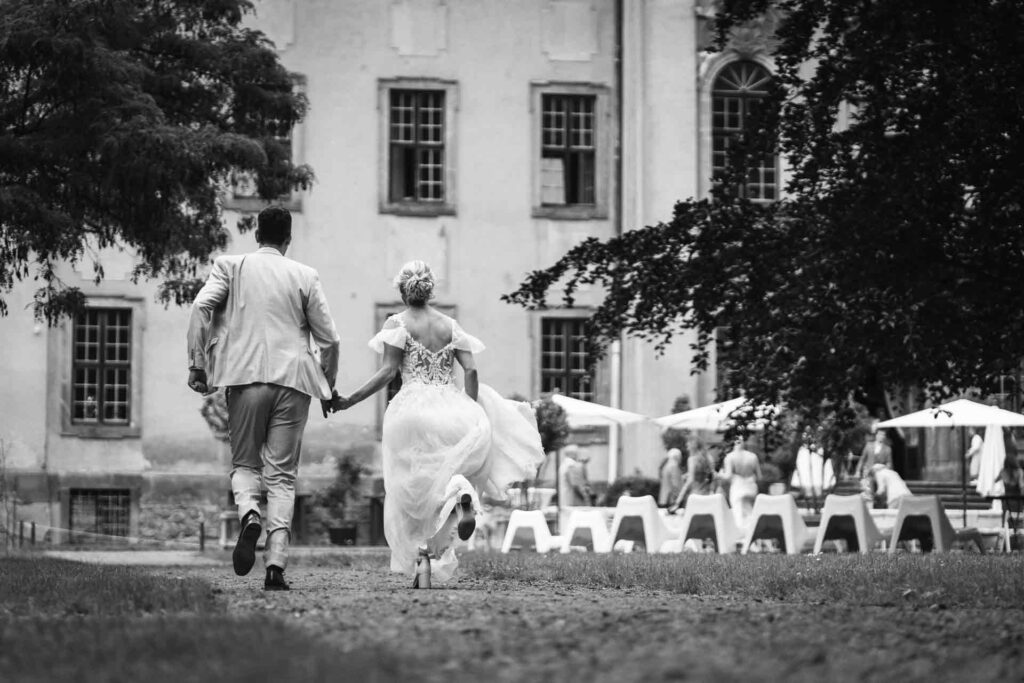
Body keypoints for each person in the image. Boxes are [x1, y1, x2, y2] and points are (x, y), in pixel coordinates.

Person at [329, 260, 544, 587]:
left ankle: (421, 559)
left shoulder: (397, 323)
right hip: (451, 406)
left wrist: (349, 400)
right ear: (430, 289)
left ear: (403, 290)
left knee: (411, 489)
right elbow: (470, 371)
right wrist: (469, 409)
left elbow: (388, 372)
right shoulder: (450, 325)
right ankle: (460, 496)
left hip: (411, 411)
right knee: (448, 475)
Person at [187, 205, 340, 591]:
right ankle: (275, 565)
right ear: (288, 239)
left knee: (244, 462)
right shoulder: (305, 275)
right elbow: (330, 339)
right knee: (283, 477)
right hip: (294, 382)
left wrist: (197, 363)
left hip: (245, 377)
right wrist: (326, 385)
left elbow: (201, 306)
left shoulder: (230, 266)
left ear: (257, 234)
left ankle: (250, 513)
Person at [721, 436, 762, 528]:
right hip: (751, 488)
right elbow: (759, 476)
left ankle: (742, 536)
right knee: (749, 512)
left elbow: (728, 476)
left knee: (738, 514)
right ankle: (752, 534)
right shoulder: (753, 456)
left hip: (738, 489)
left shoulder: (730, 457)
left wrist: (719, 474)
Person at [669, 443, 715, 513]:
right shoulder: (709, 459)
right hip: (707, 495)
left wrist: (678, 501)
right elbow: (711, 476)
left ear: (693, 447)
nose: (687, 449)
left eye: (688, 446)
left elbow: (690, 480)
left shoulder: (692, 459)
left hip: (695, 496)